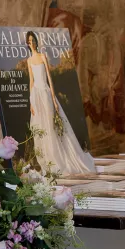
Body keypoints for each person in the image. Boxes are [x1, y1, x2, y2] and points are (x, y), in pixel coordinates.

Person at [26, 31, 95, 175]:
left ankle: (58, 158)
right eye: (29, 41)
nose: (32, 43)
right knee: (41, 126)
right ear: (27, 43)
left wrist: (53, 98)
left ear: (36, 41)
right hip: (36, 95)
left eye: (33, 40)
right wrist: (31, 102)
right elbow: (31, 81)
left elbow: (49, 78)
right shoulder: (29, 60)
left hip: (45, 92)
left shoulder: (43, 56)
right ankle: (47, 159)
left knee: (51, 125)